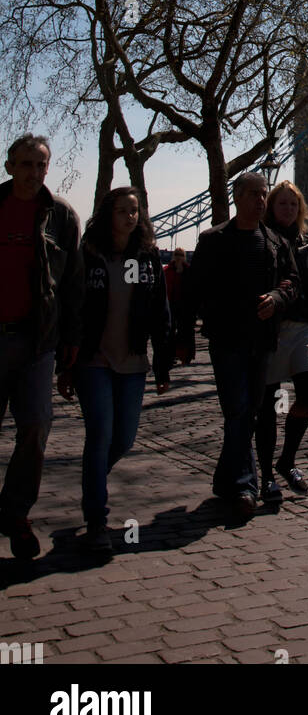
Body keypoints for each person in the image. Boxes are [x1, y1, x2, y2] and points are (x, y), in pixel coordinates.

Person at [57, 188, 172, 553]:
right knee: (100, 435)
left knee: (124, 439)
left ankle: (93, 481)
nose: (131, 217)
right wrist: (66, 364)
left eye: (135, 211)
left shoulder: (146, 256)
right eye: (123, 211)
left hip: (133, 361)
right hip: (95, 361)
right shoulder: (90, 255)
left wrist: (164, 363)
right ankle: (96, 521)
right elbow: (72, 307)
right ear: (108, 214)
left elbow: (158, 310)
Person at [188, 172, 299, 519]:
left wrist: (278, 299)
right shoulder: (212, 241)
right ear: (236, 197)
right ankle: (244, 487)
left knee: (248, 411)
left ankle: (227, 479)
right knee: (236, 409)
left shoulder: (276, 242)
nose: (260, 200)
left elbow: (292, 284)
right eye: (253, 194)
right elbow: (193, 289)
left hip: (263, 340)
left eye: (263, 194)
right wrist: (180, 338)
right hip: (226, 339)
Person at [0, 134, 83, 560]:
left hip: (37, 342)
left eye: (41, 165)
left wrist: (71, 339)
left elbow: (73, 285)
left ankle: (16, 514)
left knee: (36, 427)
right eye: (26, 163)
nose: (34, 172)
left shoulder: (63, 216)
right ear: (9, 165)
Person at [255, 181, 308, 499]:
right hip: (271, 329)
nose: (288, 209)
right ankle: (267, 475)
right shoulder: (259, 241)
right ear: (271, 207)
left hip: (302, 329)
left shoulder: (307, 244)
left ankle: (287, 460)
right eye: (282, 204)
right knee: (268, 406)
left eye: (293, 205)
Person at [164, 247, 195, 365]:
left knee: (184, 331)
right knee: (170, 332)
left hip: (185, 305)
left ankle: (184, 355)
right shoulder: (167, 270)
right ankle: (171, 356)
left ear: (184, 257)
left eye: (181, 255)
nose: (178, 257)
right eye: (177, 254)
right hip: (170, 304)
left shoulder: (189, 271)